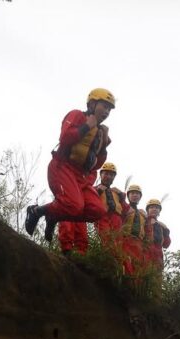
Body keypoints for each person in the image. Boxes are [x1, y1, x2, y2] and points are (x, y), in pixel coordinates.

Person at [25, 88, 115, 242]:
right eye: (104, 106)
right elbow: (65, 138)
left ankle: (54, 216)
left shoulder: (100, 132)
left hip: (81, 176)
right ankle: (36, 211)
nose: (106, 111)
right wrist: (87, 126)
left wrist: (104, 145)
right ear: (92, 103)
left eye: (109, 109)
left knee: (97, 210)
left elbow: (96, 165)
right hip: (62, 166)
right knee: (74, 205)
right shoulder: (78, 115)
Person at [94, 162, 127, 243]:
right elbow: (89, 202)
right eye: (106, 174)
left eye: (111, 175)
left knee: (118, 241)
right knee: (106, 238)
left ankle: (115, 255)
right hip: (102, 216)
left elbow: (126, 210)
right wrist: (97, 192)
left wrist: (122, 197)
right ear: (101, 175)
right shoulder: (94, 189)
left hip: (116, 218)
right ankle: (106, 255)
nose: (109, 177)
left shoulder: (117, 192)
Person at [120, 184, 147, 275]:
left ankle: (135, 287)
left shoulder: (143, 213)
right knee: (126, 263)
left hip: (138, 242)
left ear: (140, 197)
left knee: (138, 266)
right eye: (132, 193)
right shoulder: (123, 207)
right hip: (126, 239)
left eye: (137, 194)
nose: (135, 195)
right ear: (128, 196)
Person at [143, 198, 171, 270]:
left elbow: (166, 245)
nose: (154, 209)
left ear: (159, 211)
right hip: (145, 252)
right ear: (147, 210)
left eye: (157, 208)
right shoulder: (143, 220)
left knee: (156, 277)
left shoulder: (161, 226)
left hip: (158, 256)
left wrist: (166, 231)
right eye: (151, 207)